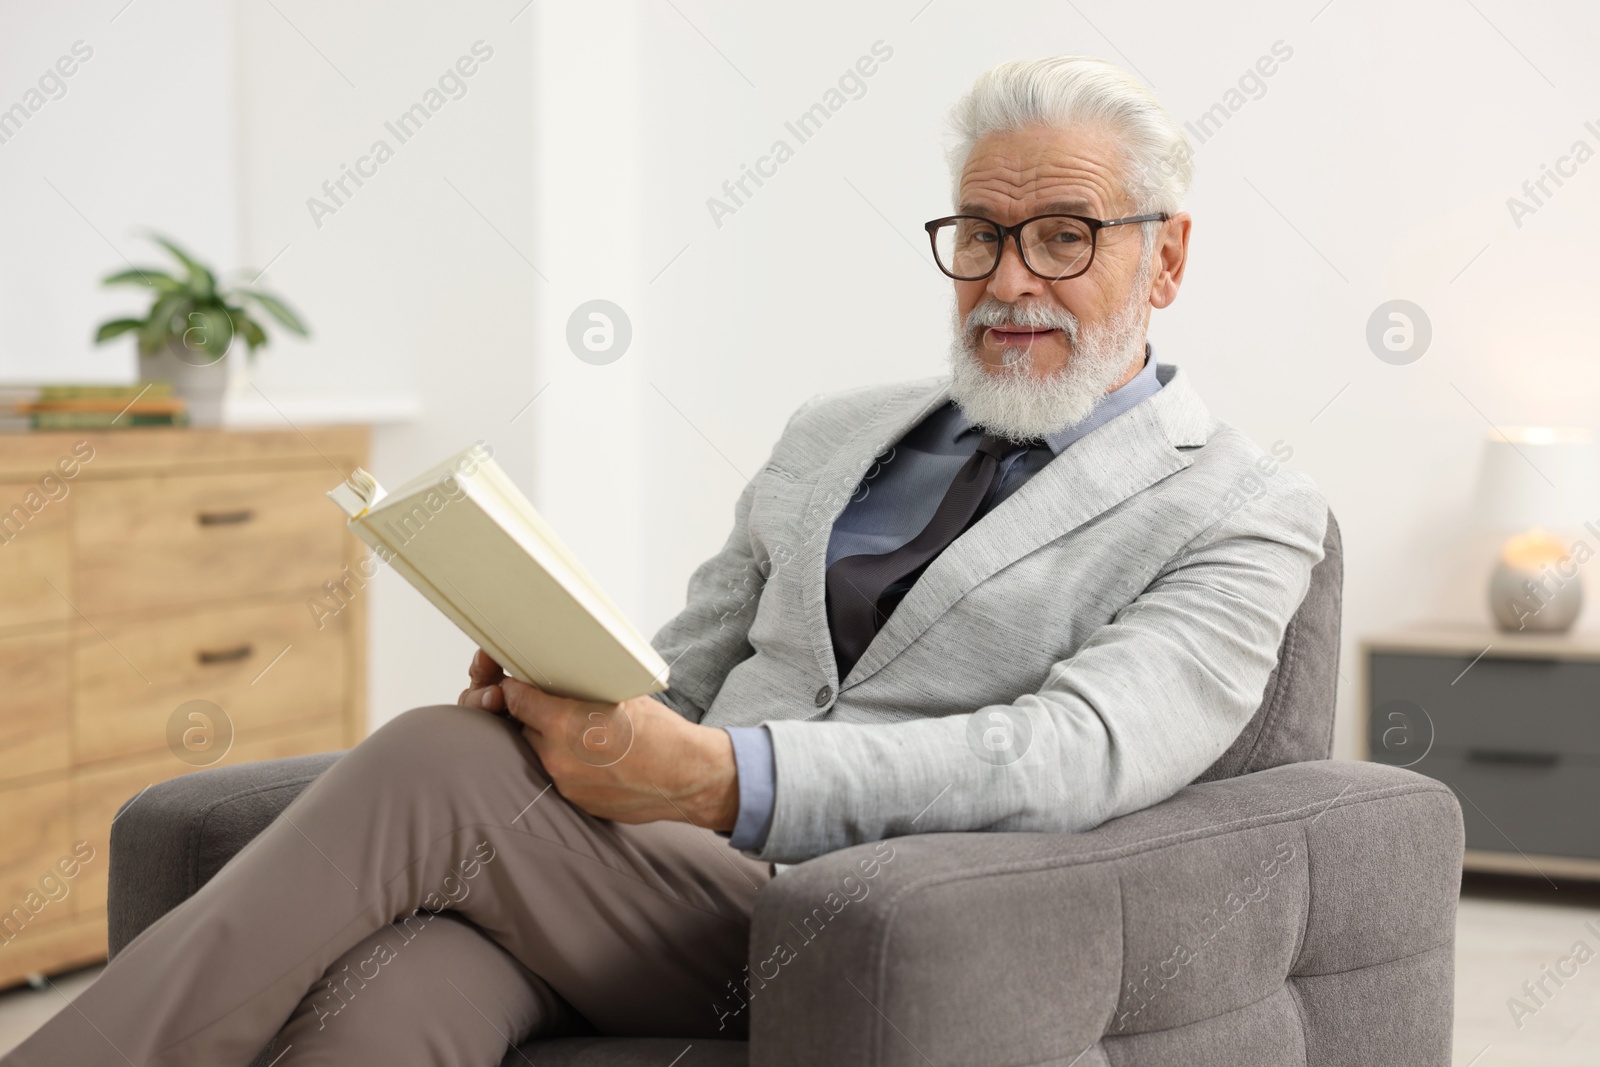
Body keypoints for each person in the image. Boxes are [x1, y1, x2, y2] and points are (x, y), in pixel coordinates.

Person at [6, 54, 1325, 1066]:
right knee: (393, 1000)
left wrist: (720, 779)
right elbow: (684, 672)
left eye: (1064, 235)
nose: (1006, 278)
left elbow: (1073, 752)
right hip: (648, 874)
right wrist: (564, 693)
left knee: (428, 760)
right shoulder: (837, 435)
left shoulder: (1240, 509)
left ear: (1168, 259)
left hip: (865, 916)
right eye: (979, 233)